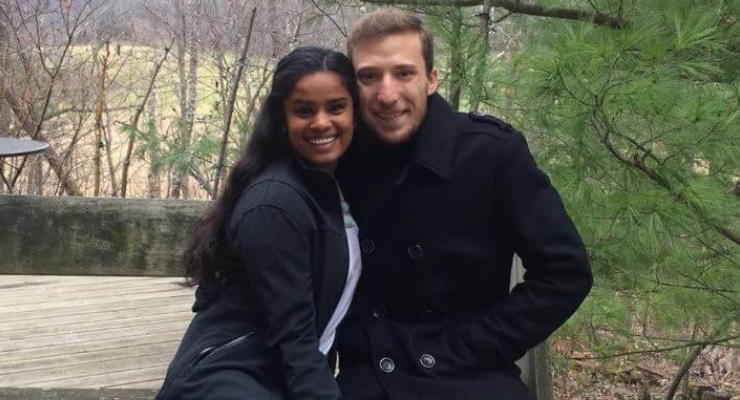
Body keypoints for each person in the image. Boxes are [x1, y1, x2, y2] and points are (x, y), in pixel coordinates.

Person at [335, 8, 593, 400]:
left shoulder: (490, 154)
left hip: (472, 376)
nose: (386, 94)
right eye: (369, 76)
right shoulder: (338, 157)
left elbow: (565, 272)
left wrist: (472, 345)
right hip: (369, 377)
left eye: (404, 73)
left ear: (431, 79)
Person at [156, 46, 360, 400]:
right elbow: (294, 338)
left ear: (356, 113)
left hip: (274, 377)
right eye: (304, 110)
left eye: (336, 107)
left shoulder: (332, 184)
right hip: (228, 383)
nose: (321, 122)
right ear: (282, 118)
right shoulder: (273, 204)